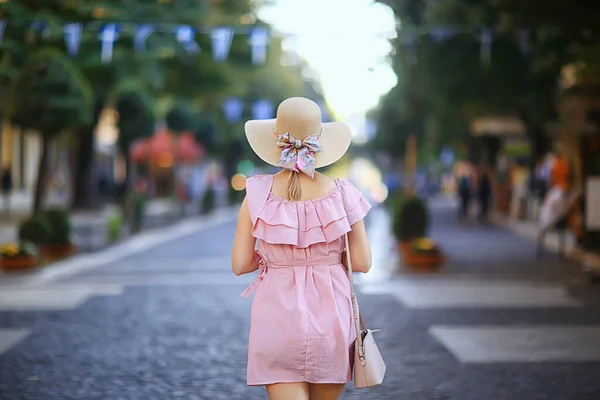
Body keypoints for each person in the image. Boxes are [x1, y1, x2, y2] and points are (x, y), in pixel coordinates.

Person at [231, 97, 372, 400]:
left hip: (276, 322)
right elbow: (361, 261)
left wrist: (277, 255)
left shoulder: (255, 193)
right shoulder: (344, 193)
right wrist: (327, 255)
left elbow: (241, 263)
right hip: (332, 320)